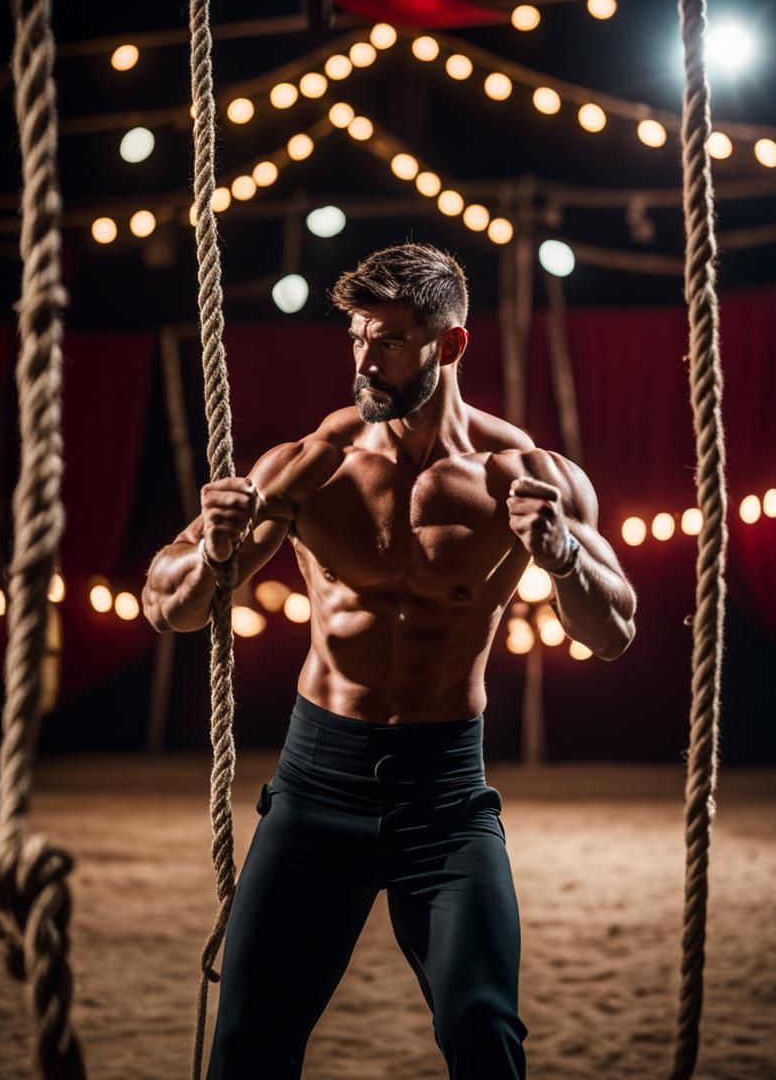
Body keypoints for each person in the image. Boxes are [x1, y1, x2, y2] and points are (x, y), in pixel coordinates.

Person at [142, 243, 636, 1079]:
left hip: (444, 798)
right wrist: (212, 554)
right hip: (315, 788)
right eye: (358, 337)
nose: (366, 360)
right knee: (249, 1043)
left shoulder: (524, 475)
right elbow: (169, 607)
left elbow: (612, 630)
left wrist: (560, 559)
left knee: (485, 1031)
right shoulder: (310, 467)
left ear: (451, 345)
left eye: (391, 341)